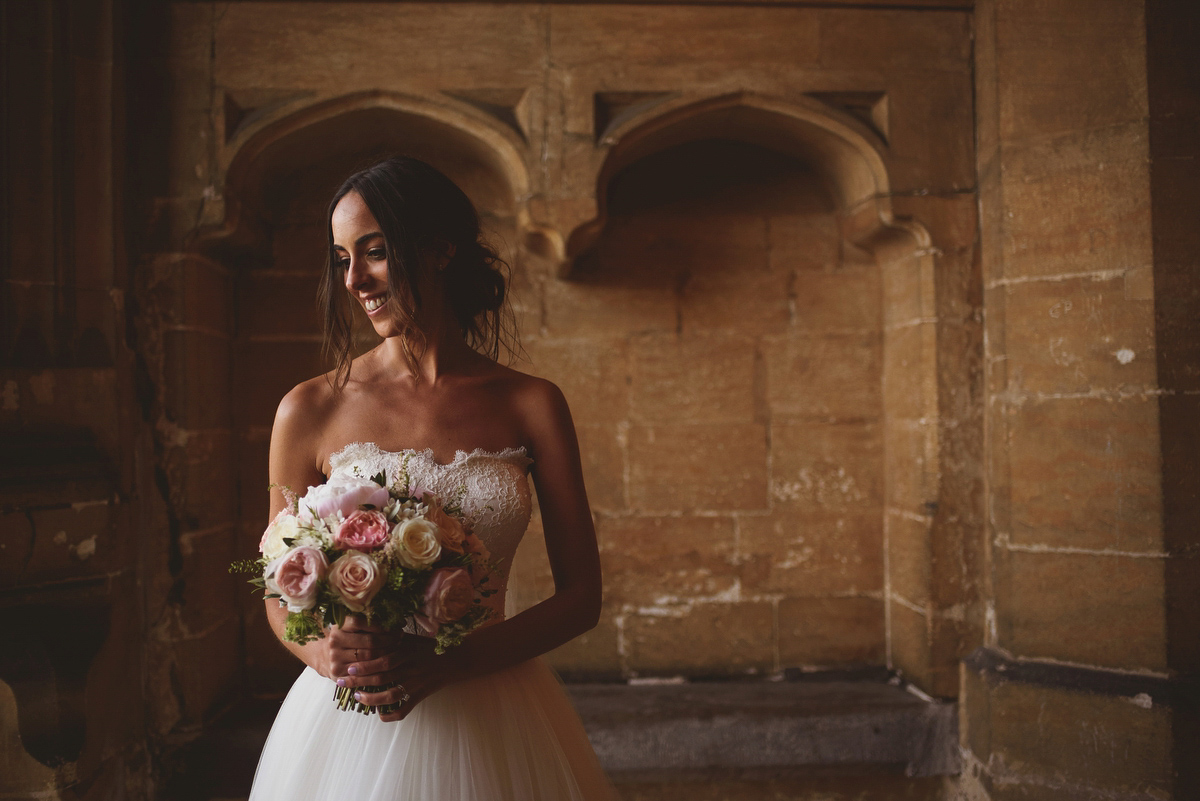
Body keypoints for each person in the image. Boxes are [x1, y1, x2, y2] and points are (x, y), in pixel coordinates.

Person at [247, 156, 617, 800]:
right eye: (341, 259)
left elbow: (581, 598)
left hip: (494, 705)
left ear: (440, 249)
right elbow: (278, 589)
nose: (355, 279)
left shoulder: (532, 404)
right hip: (349, 720)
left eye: (375, 251)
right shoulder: (308, 409)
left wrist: (451, 661)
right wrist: (324, 657)